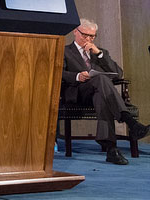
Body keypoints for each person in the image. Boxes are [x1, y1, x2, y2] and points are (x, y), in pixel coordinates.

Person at [61, 19, 149, 165]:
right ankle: (130, 123)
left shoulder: (100, 53)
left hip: (99, 94)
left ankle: (111, 149)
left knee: (102, 93)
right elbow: (57, 73)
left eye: (92, 36)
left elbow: (118, 74)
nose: (88, 39)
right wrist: (77, 76)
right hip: (78, 93)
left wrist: (99, 54)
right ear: (75, 32)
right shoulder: (64, 51)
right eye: (85, 35)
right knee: (101, 80)